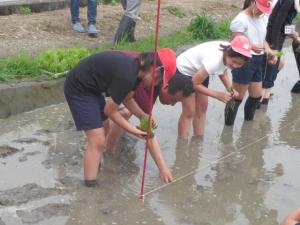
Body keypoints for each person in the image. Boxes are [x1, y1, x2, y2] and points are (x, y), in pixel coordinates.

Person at [64, 48, 176, 187]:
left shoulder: (137, 73)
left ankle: (94, 165)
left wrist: (142, 115)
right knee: (98, 140)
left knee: (104, 130)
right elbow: (110, 110)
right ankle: (90, 188)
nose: (157, 86)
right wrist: (133, 130)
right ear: (156, 71)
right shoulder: (127, 75)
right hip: (79, 88)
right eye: (159, 82)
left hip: (93, 89)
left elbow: (128, 98)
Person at [105, 50, 194, 183]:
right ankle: (109, 153)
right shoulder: (142, 81)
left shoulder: (156, 80)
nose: (173, 105)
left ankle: (110, 143)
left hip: (115, 63)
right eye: (174, 100)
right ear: (165, 86)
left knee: (128, 111)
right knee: (122, 113)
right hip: (106, 74)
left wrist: (143, 118)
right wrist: (163, 168)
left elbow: (142, 115)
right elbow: (149, 135)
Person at [175, 35, 252, 139]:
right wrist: (218, 95)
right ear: (228, 52)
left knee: (202, 107)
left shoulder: (228, 54)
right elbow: (194, 83)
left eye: (240, 64)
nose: (235, 66)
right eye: (234, 61)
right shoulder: (214, 61)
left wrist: (230, 88)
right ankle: (182, 143)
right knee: (189, 111)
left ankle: (198, 141)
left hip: (200, 71)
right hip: (184, 70)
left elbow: (223, 72)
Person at [225, 0, 274, 126]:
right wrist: (251, 46)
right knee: (237, 97)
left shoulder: (263, 17)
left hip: (258, 59)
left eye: (264, 10)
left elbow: (263, 40)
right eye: (260, 9)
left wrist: (268, 51)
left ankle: (248, 125)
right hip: (243, 60)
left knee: (257, 96)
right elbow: (235, 42)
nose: (261, 12)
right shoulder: (241, 20)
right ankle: (228, 128)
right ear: (253, 2)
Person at [261, 0, 300, 104]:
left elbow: (284, 23)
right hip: (273, 40)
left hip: (279, 40)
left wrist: (293, 33)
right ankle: (260, 102)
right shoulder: (289, 2)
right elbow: (276, 25)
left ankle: (265, 97)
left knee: (278, 65)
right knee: (270, 69)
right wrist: (274, 49)